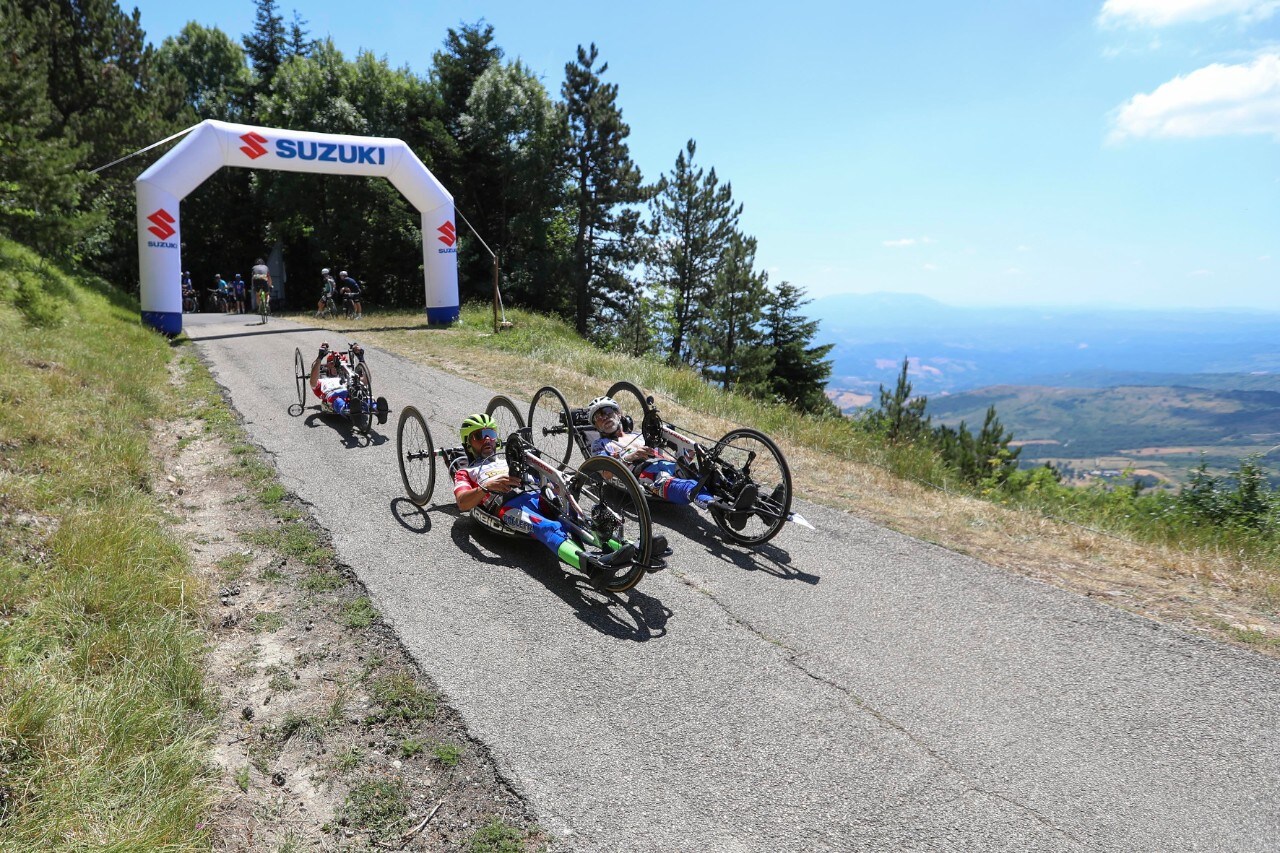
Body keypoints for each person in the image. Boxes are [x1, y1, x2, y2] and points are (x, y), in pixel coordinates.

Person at [452, 414, 637, 587]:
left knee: (576, 519)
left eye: (490, 434)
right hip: (507, 506)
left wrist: (555, 485)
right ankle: (590, 566)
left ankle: (626, 547)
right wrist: (487, 486)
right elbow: (462, 502)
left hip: (536, 495)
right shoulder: (466, 472)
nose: (487, 439)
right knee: (547, 527)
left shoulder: (507, 459)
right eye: (479, 436)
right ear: (468, 443)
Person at [586, 395, 759, 530]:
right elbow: (606, 473)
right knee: (689, 485)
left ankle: (763, 502)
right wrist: (630, 456)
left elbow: (666, 454)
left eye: (608, 411)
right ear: (596, 425)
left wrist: (685, 455)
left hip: (670, 465)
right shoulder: (599, 445)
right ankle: (723, 511)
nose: (605, 417)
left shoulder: (639, 434)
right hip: (647, 475)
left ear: (619, 414)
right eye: (599, 416)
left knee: (712, 473)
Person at [308, 341, 388, 424]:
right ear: (327, 365)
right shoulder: (322, 381)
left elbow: (367, 380)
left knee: (364, 393)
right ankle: (351, 411)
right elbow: (313, 382)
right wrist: (319, 358)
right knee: (336, 399)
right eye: (332, 363)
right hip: (334, 394)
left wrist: (361, 358)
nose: (336, 367)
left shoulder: (351, 377)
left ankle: (378, 410)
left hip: (353, 393)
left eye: (339, 366)